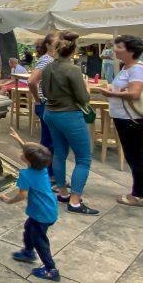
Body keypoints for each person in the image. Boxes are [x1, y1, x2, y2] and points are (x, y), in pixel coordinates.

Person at [41, 30, 98, 215]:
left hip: (51, 112)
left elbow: (45, 91)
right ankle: (75, 201)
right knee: (83, 158)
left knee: (59, 153)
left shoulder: (48, 67)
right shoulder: (73, 70)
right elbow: (83, 98)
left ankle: (63, 192)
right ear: (74, 51)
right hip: (69, 115)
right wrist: (87, 87)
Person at [102, 35, 143, 207]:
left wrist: (112, 94)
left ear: (131, 50)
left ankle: (140, 194)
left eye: (120, 47)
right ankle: (138, 191)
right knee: (133, 154)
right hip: (124, 116)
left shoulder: (137, 69)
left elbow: (135, 93)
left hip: (132, 118)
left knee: (135, 155)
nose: (116, 50)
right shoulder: (127, 67)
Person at [2, 132, 60, 281]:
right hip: (48, 210)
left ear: (27, 159)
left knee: (40, 241)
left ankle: (51, 269)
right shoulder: (42, 168)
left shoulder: (26, 174)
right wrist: (19, 139)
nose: (21, 151)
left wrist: (9, 200)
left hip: (42, 214)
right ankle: (28, 252)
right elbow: (32, 154)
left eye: (22, 151)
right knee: (29, 228)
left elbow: (22, 195)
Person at [26, 33, 57, 175]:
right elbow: (32, 81)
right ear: (49, 45)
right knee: (49, 141)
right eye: (58, 40)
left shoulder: (53, 59)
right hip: (46, 104)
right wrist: (38, 99)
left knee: (50, 140)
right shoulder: (47, 60)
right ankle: (47, 173)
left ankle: (46, 172)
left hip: (49, 104)